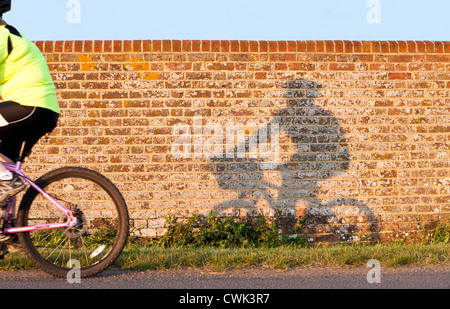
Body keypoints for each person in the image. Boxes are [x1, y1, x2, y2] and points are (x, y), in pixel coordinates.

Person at [0, 0, 60, 202]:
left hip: (29, 107)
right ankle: (8, 229)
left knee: (6, 179)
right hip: (41, 110)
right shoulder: (12, 33)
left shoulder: (1, 37)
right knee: (6, 164)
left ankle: (8, 180)